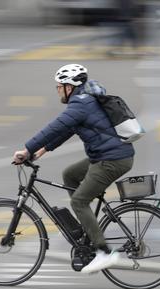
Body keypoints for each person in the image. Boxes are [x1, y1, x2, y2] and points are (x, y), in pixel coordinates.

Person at [12, 64, 134, 274]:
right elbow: (68, 130)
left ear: (69, 87)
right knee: (70, 175)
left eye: (59, 86)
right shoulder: (85, 101)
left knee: (79, 200)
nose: (58, 90)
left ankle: (104, 252)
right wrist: (42, 150)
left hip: (112, 159)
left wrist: (27, 149)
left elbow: (55, 127)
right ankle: (87, 225)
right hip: (109, 156)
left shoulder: (80, 104)